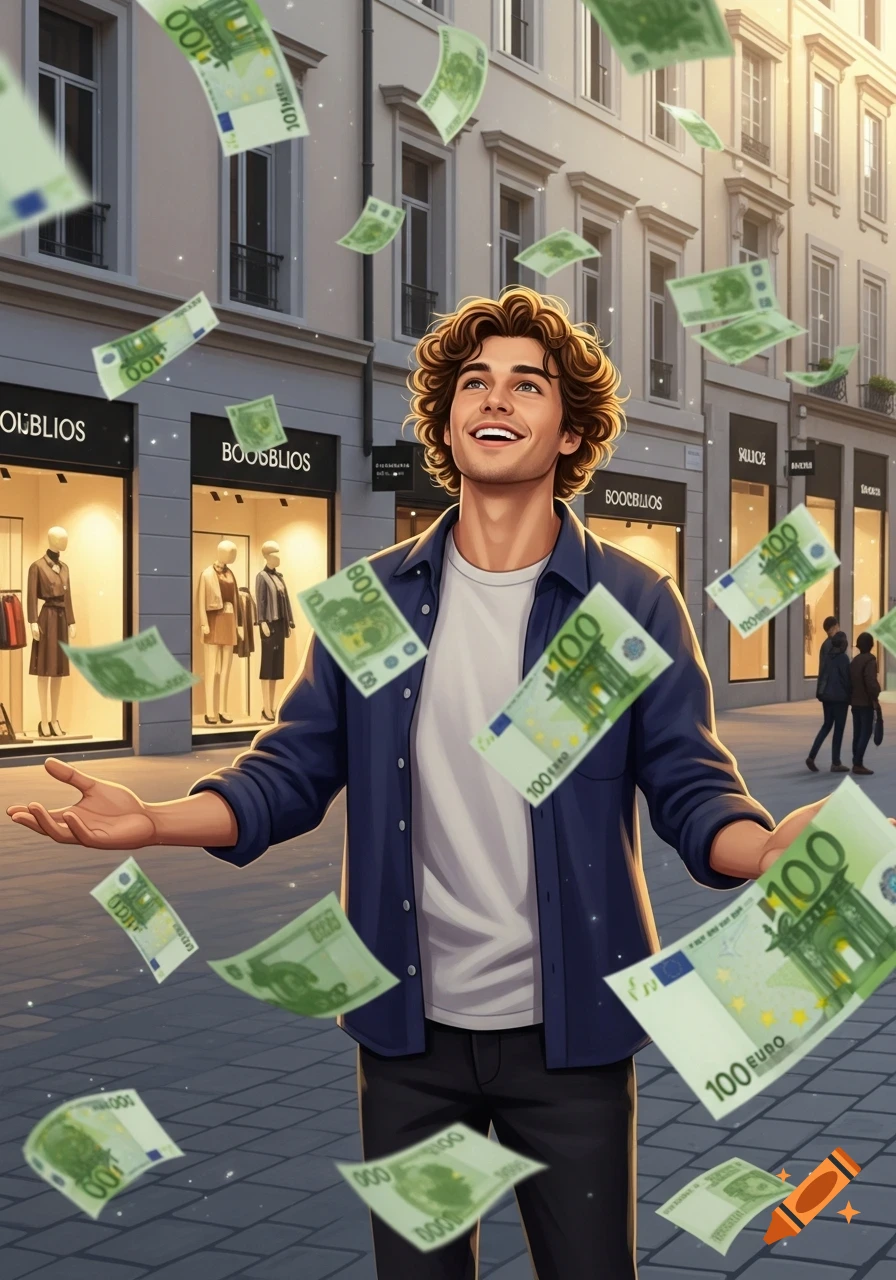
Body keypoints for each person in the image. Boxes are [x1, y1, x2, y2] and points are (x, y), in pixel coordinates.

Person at [7, 287, 842, 1280]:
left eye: (526, 384)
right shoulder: (371, 602)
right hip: (406, 1039)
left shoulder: (627, 599)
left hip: (571, 1039)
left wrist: (764, 848)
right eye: (474, 382)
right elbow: (288, 772)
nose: (495, 397)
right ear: (446, 422)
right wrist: (152, 820)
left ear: (570, 429)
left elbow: (687, 783)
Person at [806, 630, 851, 774]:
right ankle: (836, 762)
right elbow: (847, 679)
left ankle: (812, 756)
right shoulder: (843, 658)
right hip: (840, 698)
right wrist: (851, 695)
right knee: (838, 729)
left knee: (826, 725)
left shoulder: (828, 657)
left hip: (827, 697)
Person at [850, 631, 881, 776]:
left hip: (855, 702)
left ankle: (855, 760)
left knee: (857, 732)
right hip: (865, 702)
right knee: (866, 731)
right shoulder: (870, 661)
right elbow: (871, 682)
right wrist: (876, 693)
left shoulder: (854, 661)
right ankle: (858, 763)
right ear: (871, 645)